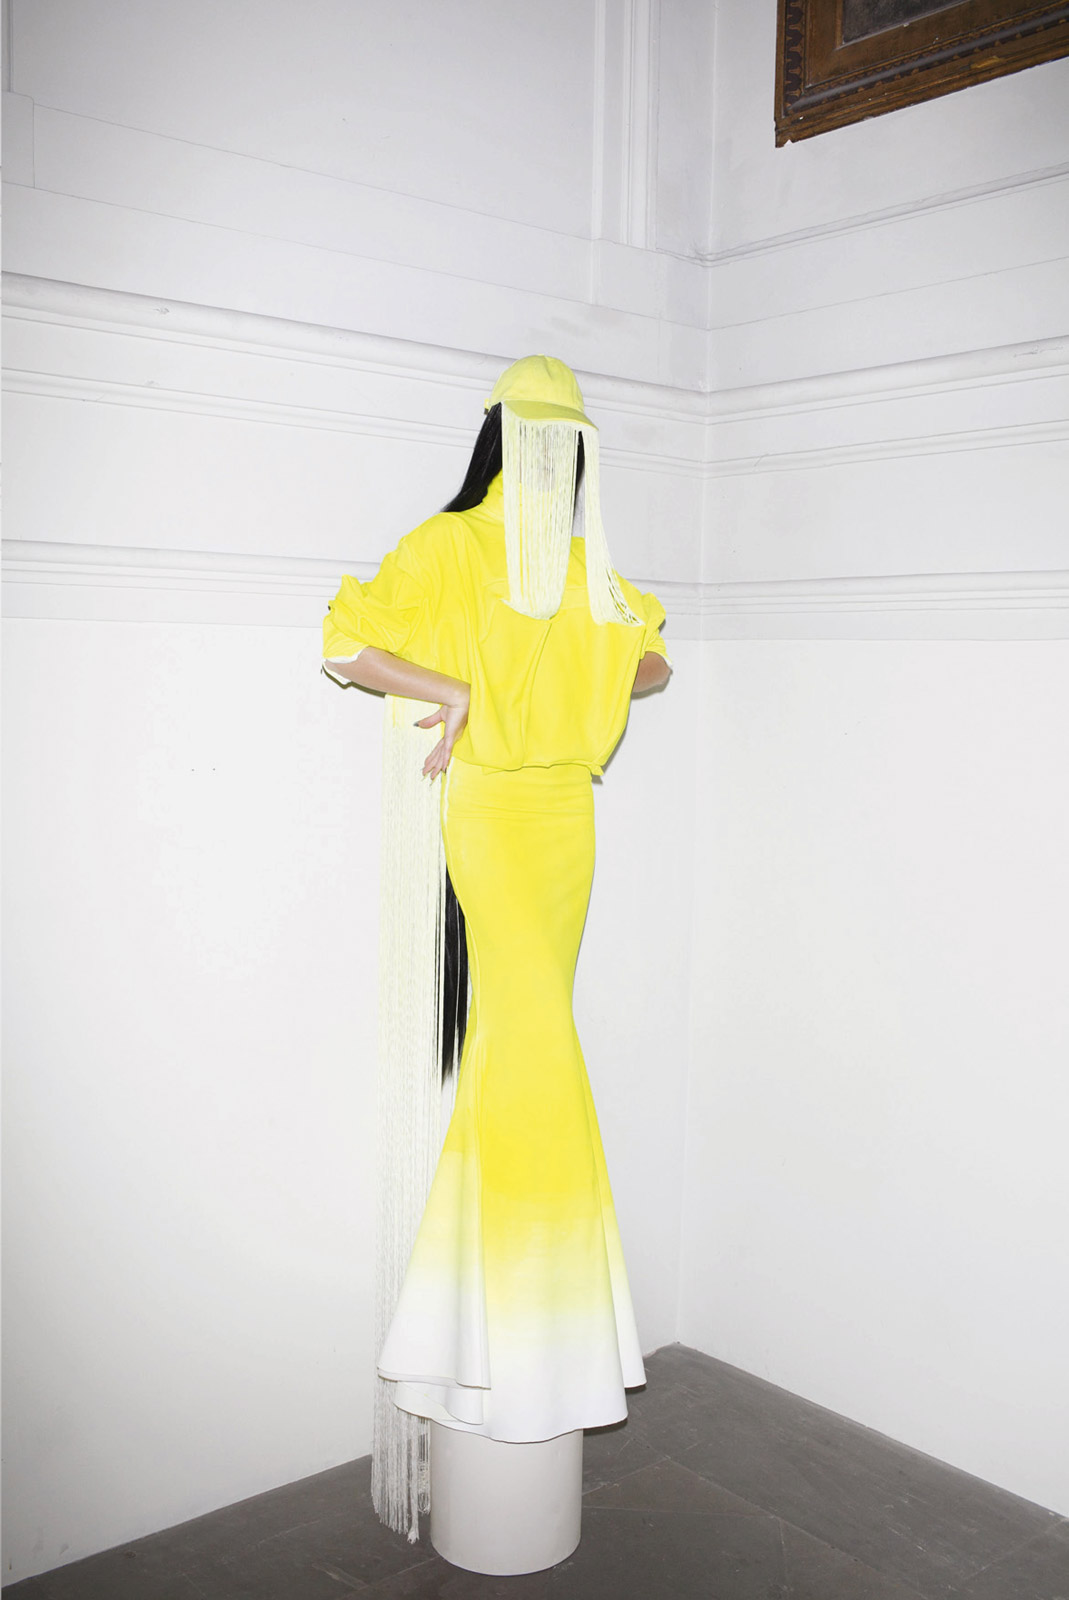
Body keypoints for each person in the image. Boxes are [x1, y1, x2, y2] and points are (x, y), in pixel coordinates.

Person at [322, 355, 671, 1538]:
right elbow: (344, 641)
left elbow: (653, 656)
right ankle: (531, 1314)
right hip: (496, 814)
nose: (554, 461)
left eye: (567, 443)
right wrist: (458, 689)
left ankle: (486, 1316)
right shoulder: (452, 543)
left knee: (523, 1045)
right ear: (508, 440)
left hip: (565, 817)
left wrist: (587, 668)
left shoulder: (582, 563)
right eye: (542, 438)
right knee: (531, 1044)